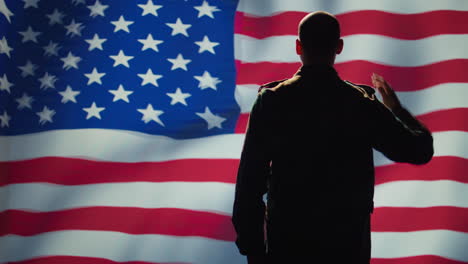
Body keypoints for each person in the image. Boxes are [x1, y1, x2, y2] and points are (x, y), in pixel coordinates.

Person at [231, 11, 433, 264]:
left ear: (298, 46)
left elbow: (250, 183)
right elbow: (419, 150)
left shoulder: (272, 101)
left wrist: (254, 252)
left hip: (288, 246)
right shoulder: (359, 103)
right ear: (339, 47)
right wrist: (396, 109)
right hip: (346, 248)